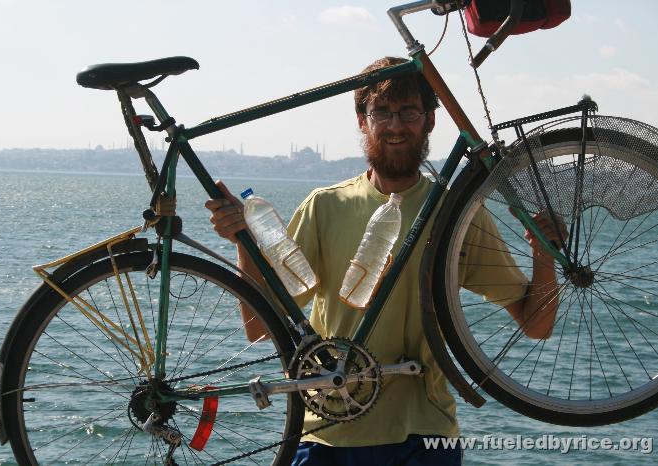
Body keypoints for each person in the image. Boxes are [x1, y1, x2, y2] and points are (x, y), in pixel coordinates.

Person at [205, 56, 565, 466]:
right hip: (327, 435)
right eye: (382, 112)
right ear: (362, 120)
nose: (396, 125)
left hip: (425, 436)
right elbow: (257, 326)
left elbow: (535, 324)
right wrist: (242, 240)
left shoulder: (458, 213)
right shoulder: (325, 207)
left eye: (409, 111)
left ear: (429, 120)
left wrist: (543, 251)